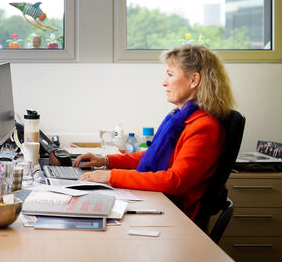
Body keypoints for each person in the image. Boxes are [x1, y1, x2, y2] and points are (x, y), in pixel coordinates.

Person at [73, 44, 235, 220]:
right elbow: (151, 156)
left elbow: (175, 180)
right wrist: (105, 161)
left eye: (170, 74)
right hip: (161, 202)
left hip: (174, 214)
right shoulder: (180, 119)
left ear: (194, 80)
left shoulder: (203, 127)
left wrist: (110, 176)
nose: (164, 82)